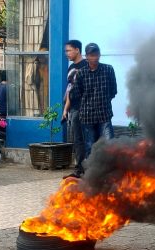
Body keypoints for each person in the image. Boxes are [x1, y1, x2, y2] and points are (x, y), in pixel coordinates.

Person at [71, 42, 117, 175]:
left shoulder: (108, 70)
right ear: (86, 56)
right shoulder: (81, 74)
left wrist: (103, 101)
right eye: (91, 54)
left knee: (110, 145)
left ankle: (111, 173)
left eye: (96, 54)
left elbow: (113, 91)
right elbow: (76, 94)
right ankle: (92, 175)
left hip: (104, 115)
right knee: (90, 147)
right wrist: (85, 104)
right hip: (87, 116)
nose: (95, 57)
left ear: (99, 54)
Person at [62, 40, 88, 178]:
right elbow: (69, 90)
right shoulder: (71, 67)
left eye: (68, 50)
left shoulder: (86, 66)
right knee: (77, 140)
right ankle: (79, 169)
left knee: (88, 139)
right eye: (66, 51)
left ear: (77, 50)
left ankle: (89, 169)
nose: (66, 53)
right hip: (74, 109)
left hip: (87, 109)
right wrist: (66, 109)